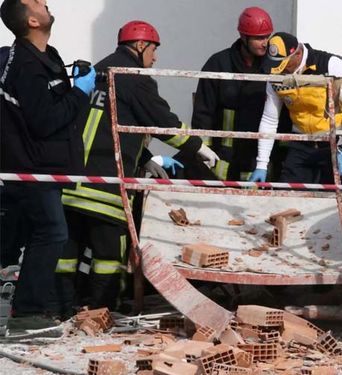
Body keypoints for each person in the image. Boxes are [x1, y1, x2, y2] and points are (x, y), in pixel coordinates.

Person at [55, 20, 219, 315]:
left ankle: (61, 305)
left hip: (71, 182)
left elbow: (108, 123)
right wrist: (198, 147)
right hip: (104, 187)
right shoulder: (133, 76)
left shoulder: (100, 71)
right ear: (141, 46)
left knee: (68, 251)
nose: (155, 59)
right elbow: (161, 121)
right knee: (107, 256)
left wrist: (144, 159)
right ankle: (102, 309)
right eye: (154, 50)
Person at [0, 0, 94, 329]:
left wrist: (75, 82)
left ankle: (24, 308)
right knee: (52, 231)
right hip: (29, 167)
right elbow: (45, 120)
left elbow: (64, 116)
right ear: (32, 21)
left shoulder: (49, 57)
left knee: (17, 238)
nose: (45, 3)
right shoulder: (24, 64)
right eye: (37, 2)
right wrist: (81, 93)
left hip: (49, 166)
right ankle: (27, 314)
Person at [191, 7, 290, 182]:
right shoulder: (218, 64)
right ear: (243, 37)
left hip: (262, 154)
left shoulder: (275, 66)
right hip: (224, 154)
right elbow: (203, 113)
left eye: (267, 36)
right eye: (259, 38)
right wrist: (203, 151)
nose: (265, 43)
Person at [249, 32, 342, 184]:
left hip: (333, 142)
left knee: (332, 201)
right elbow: (270, 119)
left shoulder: (329, 65)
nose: (282, 71)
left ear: (298, 53)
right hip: (300, 143)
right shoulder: (276, 75)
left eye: (284, 64)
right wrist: (262, 164)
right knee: (289, 195)